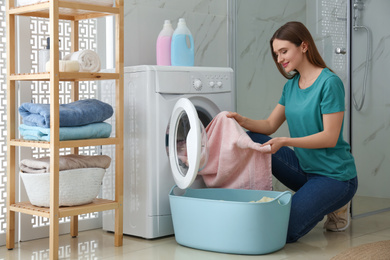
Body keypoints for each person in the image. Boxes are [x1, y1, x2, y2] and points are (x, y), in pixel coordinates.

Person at [227, 21, 358, 243]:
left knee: (281, 231)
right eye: (276, 54)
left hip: (335, 177)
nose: (279, 59)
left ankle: (337, 201)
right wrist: (241, 121)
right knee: (253, 139)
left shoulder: (330, 83)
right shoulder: (291, 86)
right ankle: (317, 199)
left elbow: (329, 137)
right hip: (305, 171)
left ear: (304, 46)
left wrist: (286, 141)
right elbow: (269, 125)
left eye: (284, 51)